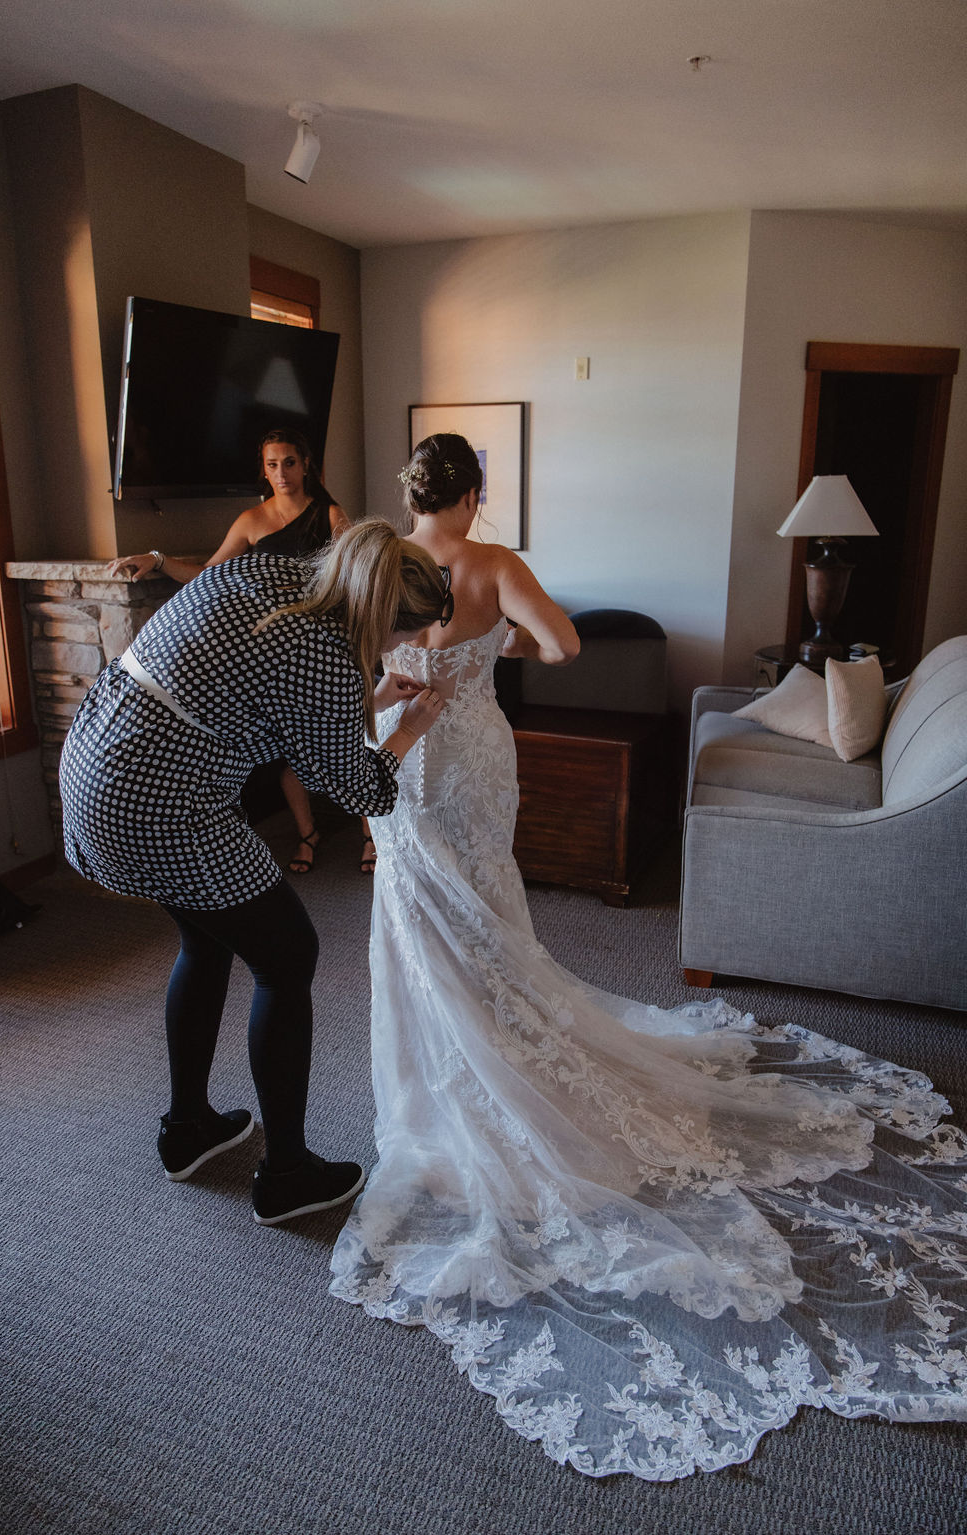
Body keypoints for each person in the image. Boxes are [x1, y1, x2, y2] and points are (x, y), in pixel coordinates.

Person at [329, 434, 967, 1481]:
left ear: (410, 493)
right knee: (491, 913)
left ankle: (447, 1075)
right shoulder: (493, 565)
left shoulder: (376, 560)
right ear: (475, 491)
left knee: (411, 912)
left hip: (398, 750)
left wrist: (414, 675)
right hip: (474, 750)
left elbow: (356, 664)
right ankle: (500, 1042)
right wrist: (491, 653)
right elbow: (568, 646)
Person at [60, 521, 449, 1226]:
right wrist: (407, 727)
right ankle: (288, 1174)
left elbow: (271, 688)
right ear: (379, 616)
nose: (396, 650)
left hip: (98, 761)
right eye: (399, 637)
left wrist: (368, 695)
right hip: (159, 803)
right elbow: (360, 789)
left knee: (207, 937)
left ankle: (188, 1130)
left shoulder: (269, 574)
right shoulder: (327, 655)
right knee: (288, 951)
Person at [110, 428, 378, 876]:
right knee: (293, 751)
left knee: (353, 737)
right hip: (274, 657)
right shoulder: (251, 521)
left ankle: (371, 835)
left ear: (306, 464)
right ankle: (307, 833)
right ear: (264, 469)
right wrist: (156, 558)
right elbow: (207, 577)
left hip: (326, 645)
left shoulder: (330, 516)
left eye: (289, 462)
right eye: (272, 464)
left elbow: (357, 577)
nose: (281, 473)